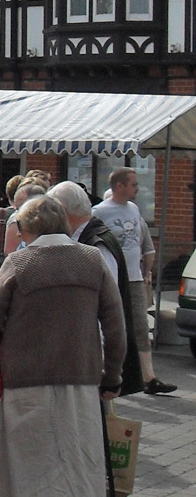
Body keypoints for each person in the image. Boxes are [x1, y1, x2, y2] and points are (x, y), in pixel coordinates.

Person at [0, 194, 127, 497]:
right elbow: (116, 325)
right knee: (48, 471)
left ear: (27, 230)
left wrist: (14, 335)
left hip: (25, 381)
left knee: (23, 470)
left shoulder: (20, 263)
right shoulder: (91, 261)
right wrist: (112, 376)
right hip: (79, 380)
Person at [47, 180, 144, 497]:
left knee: (94, 446)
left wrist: (109, 372)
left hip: (94, 362)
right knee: (76, 442)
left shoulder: (96, 245)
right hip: (82, 359)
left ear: (68, 213)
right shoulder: (84, 239)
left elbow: (107, 314)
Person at [92, 168, 175, 396]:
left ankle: (149, 377)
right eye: (134, 184)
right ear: (120, 186)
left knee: (140, 325)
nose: (137, 188)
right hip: (112, 278)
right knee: (114, 326)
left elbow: (144, 244)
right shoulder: (99, 211)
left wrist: (146, 271)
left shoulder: (134, 209)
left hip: (134, 278)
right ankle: (112, 374)